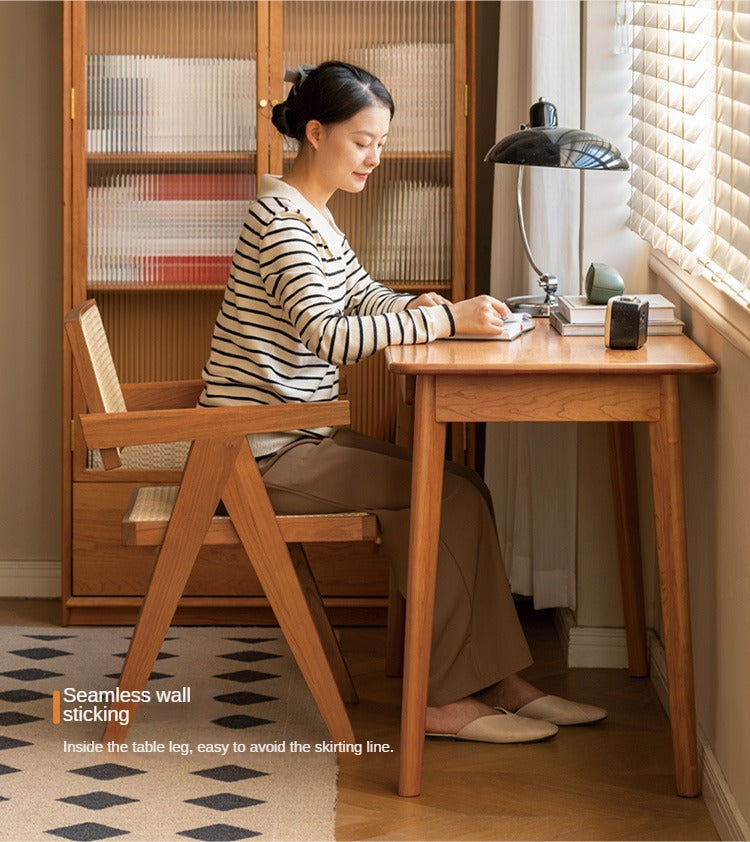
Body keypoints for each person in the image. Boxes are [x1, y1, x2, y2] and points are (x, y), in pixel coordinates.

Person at [199, 60, 606, 743]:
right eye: (364, 142)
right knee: (440, 496)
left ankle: (494, 680)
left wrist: (418, 304)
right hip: (257, 453)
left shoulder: (312, 216)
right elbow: (330, 337)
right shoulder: (282, 222)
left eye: (382, 143)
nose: (375, 158)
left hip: (292, 437)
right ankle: (443, 701)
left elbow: (359, 296)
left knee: (462, 488)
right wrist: (444, 322)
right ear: (317, 132)